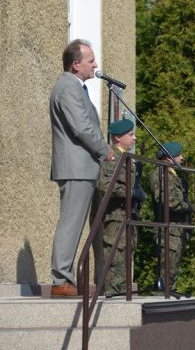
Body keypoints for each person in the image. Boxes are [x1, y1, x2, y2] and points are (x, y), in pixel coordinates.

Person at [49, 39, 114, 297]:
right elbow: (81, 127)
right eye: (90, 60)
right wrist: (105, 150)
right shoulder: (67, 87)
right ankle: (61, 279)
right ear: (76, 64)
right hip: (75, 168)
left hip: (82, 167)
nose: (95, 65)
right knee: (71, 223)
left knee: (77, 224)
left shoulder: (76, 87)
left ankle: (68, 279)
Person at [95, 119, 145, 297]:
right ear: (117, 137)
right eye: (130, 135)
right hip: (115, 218)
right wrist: (131, 191)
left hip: (128, 216)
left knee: (126, 257)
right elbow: (105, 184)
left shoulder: (127, 159)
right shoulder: (113, 157)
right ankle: (113, 294)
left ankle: (122, 292)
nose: (134, 138)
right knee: (116, 257)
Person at [149, 141, 192, 293]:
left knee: (172, 269)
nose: (182, 158)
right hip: (169, 229)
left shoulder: (171, 174)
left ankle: (169, 293)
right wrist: (188, 206)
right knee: (167, 270)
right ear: (168, 158)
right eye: (178, 155)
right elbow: (169, 201)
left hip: (175, 229)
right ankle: (163, 298)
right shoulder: (162, 173)